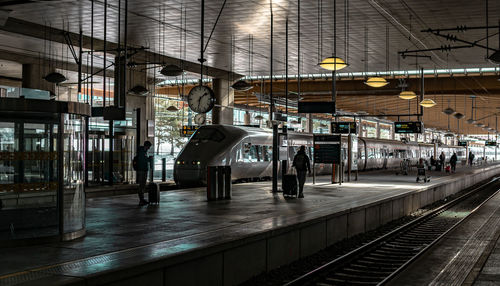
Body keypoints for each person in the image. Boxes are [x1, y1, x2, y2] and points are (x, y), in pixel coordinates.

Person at [136, 140, 152, 206]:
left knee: (143, 185)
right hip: (142, 170)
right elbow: (143, 160)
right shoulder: (142, 152)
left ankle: (142, 200)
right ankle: (141, 200)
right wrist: (149, 159)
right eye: (149, 147)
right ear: (146, 146)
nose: (149, 148)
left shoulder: (143, 152)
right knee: (142, 185)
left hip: (143, 170)